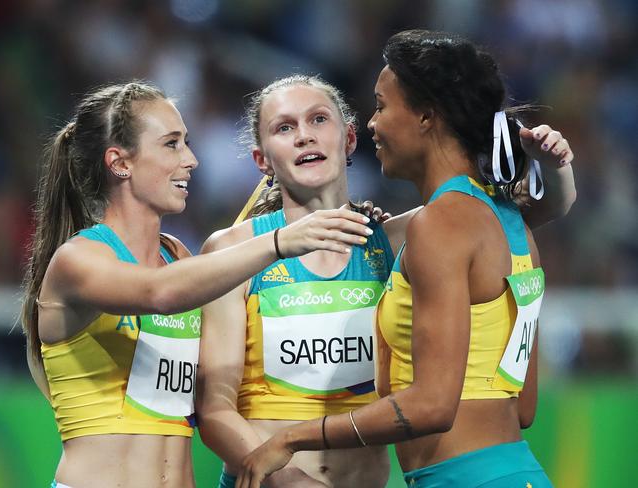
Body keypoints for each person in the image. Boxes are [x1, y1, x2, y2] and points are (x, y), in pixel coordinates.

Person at [197, 67, 574, 486]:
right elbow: (213, 409)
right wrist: (288, 480)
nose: (304, 135)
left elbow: (508, 218)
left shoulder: (397, 239)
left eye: (319, 119)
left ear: (351, 138)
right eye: (284, 128)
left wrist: (556, 169)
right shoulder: (234, 251)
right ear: (262, 159)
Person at [20, 81, 373, 488]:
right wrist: (280, 241)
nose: (191, 159)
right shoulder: (78, 259)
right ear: (120, 163)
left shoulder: (179, 258)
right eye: (172, 144)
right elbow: (159, 293)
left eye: (187, 142)